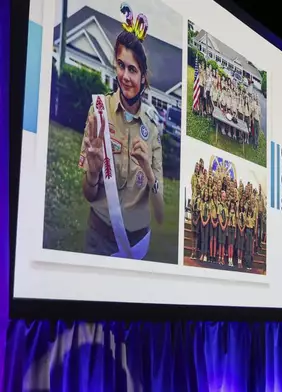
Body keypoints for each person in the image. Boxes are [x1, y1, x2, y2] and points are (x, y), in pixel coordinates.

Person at [79, 10, 163, 259]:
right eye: (121, 65)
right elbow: (88, 194)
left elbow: (159, 209)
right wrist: (93, 172)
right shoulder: (99, 111)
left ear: (144, 78)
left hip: (138, 245)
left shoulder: (153, 128)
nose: (125, 76)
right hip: (100, 241)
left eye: (133, 70)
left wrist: (148, 169)